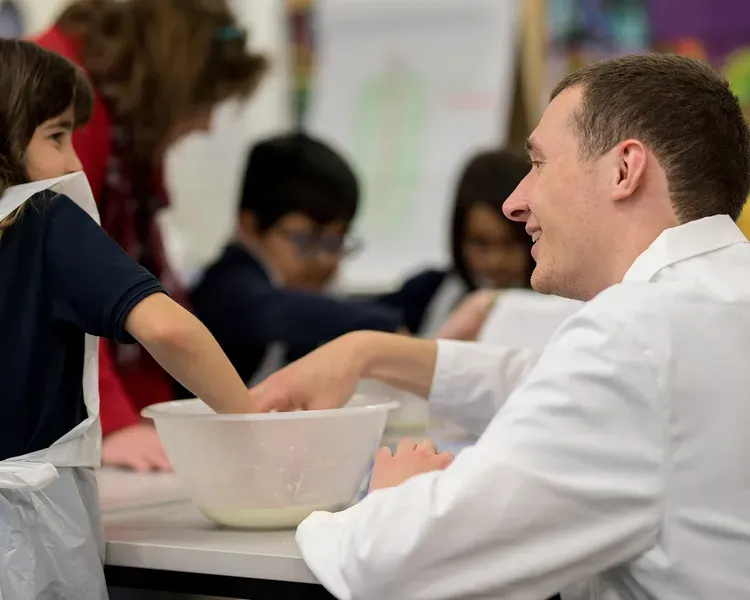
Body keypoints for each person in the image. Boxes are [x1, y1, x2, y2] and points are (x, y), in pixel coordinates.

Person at [250, 53, 750, 599]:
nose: (515, 203)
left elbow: (392, 566)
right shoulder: (712, 303)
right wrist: (369, 353)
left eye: (537, 164)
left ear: (624, 170)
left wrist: (391, 498)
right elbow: (558, 385)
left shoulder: (637, 336)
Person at [0, 39, 256, 598]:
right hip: (23, 545)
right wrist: (255, 425)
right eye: (57, 135)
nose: (72, 162)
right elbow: (168, 328)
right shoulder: (43, 221)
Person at [33, 0, 268, 471]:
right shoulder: (74, 107)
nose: (205, 124)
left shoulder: (128, 121)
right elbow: (65, 283)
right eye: (205, 102)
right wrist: (258, 438)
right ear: (173, 83)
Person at [190, 133, 404, 386]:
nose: (325, 259)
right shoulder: (228, 285)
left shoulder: (295, 298)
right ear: (249, 225)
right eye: (305, 239)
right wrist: (384, 325)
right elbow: (264, 313)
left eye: (336, 242)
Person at [377, 149, 532, 337]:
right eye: (480, 244)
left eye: (511, 244)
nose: (495, 261)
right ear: (459, 238)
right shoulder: (426, 291)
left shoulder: (561, 305)